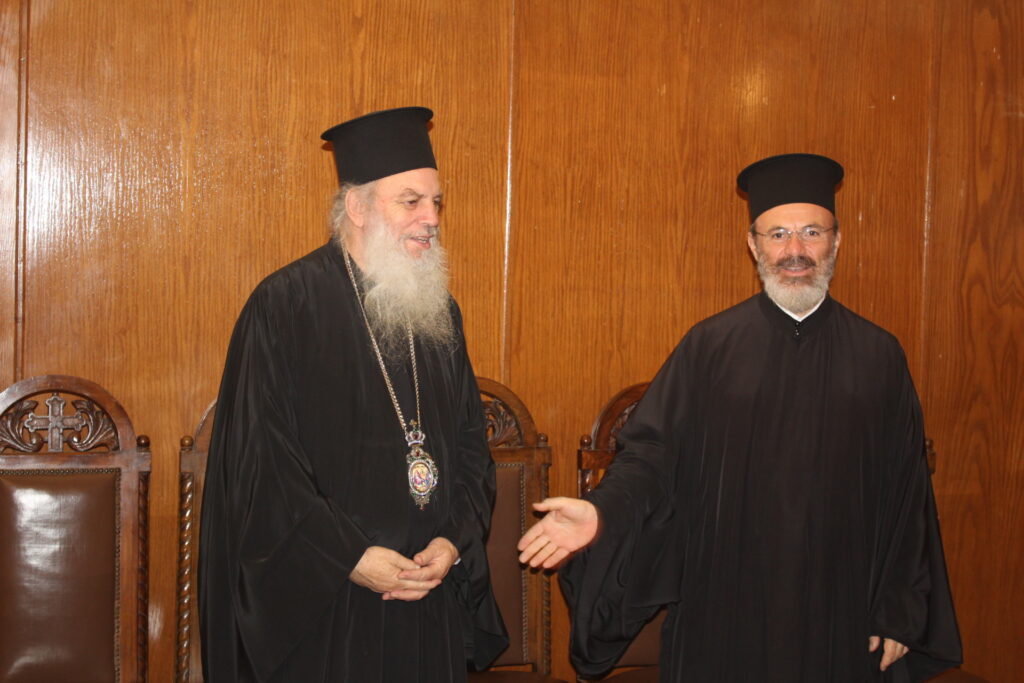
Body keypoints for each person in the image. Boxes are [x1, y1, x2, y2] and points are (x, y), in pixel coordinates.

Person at [518, 154, 962, 682]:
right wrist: (603, 512)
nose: (794, 250)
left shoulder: (879, 356)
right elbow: (651, 457)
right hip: (724, 604)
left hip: (841, 607)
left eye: (811, 232)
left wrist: (898, 608)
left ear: (836, 241)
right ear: (753, 245)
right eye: (778, 234)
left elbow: (907, 492)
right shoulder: (710, 347)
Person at [200, 106, 508, 682]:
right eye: (410, 201)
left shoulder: (438, 311)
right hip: (330, 604)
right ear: (358, 208)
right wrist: (351, 556)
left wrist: (452, 541)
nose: (431, 218)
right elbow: (263, 467)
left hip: (428, 592)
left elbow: (471, 445)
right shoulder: (285, 305)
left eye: (436, 202)